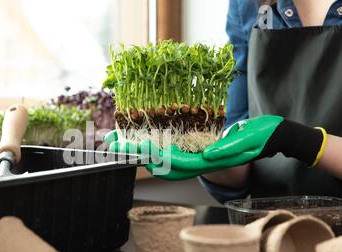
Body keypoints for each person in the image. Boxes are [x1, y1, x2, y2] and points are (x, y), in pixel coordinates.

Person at [106, 0, 342, 203]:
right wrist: (205, 154)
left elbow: (286, 138)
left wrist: (296, 140)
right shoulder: (248, 4)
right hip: (271, 228)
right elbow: (239, 171)